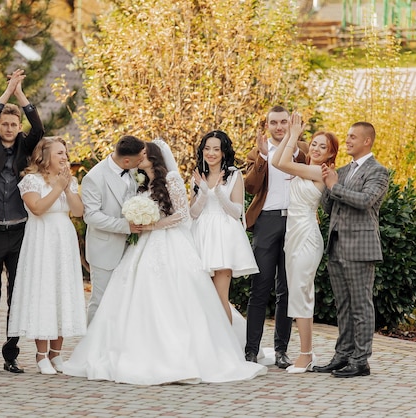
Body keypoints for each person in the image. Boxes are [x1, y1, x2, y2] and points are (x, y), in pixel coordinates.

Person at [64, 140, 268, 385]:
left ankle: (182, 355)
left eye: (144, 155)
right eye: (138, 155)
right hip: (142, 245)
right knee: (136, 297)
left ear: (154, 156)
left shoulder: (171, 179)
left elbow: (182, 214)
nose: (140, 159)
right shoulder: (138, 181)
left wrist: (154, 225)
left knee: (174, 298)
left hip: (169, 242)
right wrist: (141, 223)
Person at [0, 68, 44, 374]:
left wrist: (20, 95)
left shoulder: (24, 148)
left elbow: (40, 128)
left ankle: (11, 353)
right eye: (4, 123)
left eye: (13, 124)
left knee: (17, 295)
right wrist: (7, 91)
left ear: (18, 128)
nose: (7, 127)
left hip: (19, 233)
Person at [313, 122, 389, 378]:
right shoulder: (342, 171)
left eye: (353, 137)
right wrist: (326, 182)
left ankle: (361, 360)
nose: (347, 140)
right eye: (347, 136)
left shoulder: (378, 171)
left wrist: (335, 186)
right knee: (343, 306)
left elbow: (365, 201)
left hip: (361, 247)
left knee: (360, 306)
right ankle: (342, 355)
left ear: (367, 141)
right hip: (337, 245)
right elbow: (328, 207)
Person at [7, 137, 87, 374]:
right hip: (41, 240)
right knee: (43, 292)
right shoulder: (31, 180)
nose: (64, 157)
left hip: (64, 240)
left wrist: (67, 187)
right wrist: (58, 188)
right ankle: (41, 354)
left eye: (65, 152)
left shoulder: (66, 180)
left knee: (62, 291)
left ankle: (57, 354)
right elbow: (38, 208)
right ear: (45, 156)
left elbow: (78, 211)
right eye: (59, 153)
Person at [271, 114, 339, 373]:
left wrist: (294, 134)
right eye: (314, 143)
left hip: (308, 236)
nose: (316, 148)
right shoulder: (304, 167)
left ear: (331, 153)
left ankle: (306, 354)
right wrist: (291, 134)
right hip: (293, 234)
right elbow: (278, 160)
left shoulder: (320, 172)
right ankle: (305, 352)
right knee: (296, 292)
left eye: (323, 146)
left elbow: (282, 163)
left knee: (301, 292)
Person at [243, 105, 308, 367]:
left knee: (287, 290)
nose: (279, 127)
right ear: (267, 125)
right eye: (274, 123)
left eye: (284, 122)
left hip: (295, 222)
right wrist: (260, 157)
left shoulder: (302, 151)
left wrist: (295, 141)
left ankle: (282, 350)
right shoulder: (257, 151)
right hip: (266, 222)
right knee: (259, 288)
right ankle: (251, 350)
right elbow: (250, 187)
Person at [190, 130, 258, 324]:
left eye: (216, 149)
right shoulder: (197, 176)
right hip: (201, 236)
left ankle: (227, 347)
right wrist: (203, 192)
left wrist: (219, 192)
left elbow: (237, 212)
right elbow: (193, 213)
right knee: (203, 298)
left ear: (223, 152)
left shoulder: (234, 174)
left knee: (220, 298)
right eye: (207, 148)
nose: (211, 153)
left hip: (223, 237)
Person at [81, 135, 146, 324]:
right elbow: (91, 216)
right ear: (127, 160)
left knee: (124, 301)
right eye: (139, 158)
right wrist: (125, 226)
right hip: (105, 250)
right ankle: (91, 348)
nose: (141, 161)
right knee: (101, 301)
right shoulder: (94, 177)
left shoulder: (134, 171)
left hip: (131, 249)